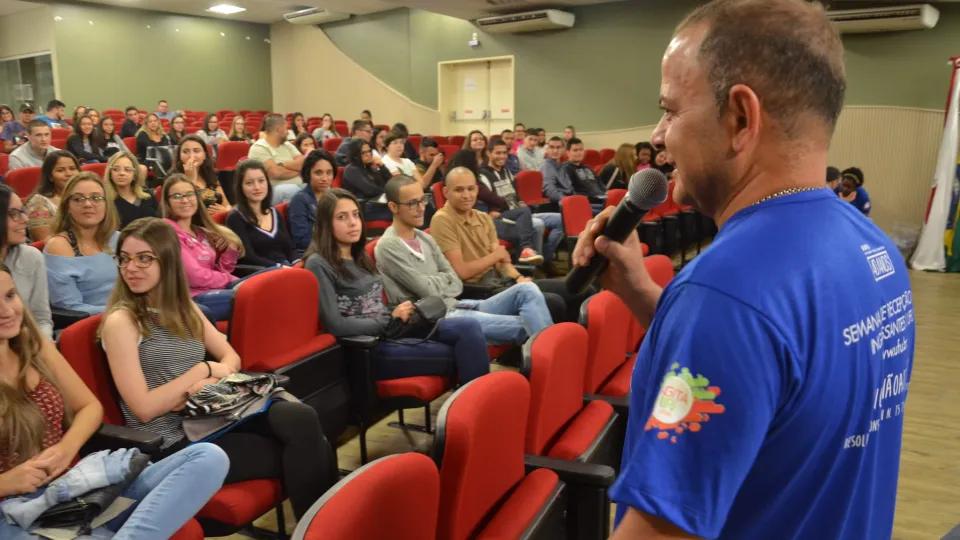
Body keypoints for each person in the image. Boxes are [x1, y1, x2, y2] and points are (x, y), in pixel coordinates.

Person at [570, 1, 913, 538]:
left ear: (739, 118)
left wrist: (701, 304)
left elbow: (662, 530)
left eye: (669, 110)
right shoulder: (875, 248)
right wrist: (641, 291)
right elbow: (774, 376)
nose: (657, 136)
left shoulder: (725, 292)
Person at [101, 217, 338, 521]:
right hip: (171, 439)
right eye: (124, 258)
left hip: (212, 412)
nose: (131, 267)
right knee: (309, 450)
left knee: (303, 418)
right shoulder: (122, 321)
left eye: (144, 258)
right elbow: (144, 408)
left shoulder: (184, 308)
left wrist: (210, 378)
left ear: (169, 260)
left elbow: (231, 358)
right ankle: (322, 528)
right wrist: (202, 371)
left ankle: (326, 528)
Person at [0, 261, 229, 540]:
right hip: (10, 508)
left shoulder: (32, 345)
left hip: (75, 489)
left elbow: (89, 407)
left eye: (10, 296)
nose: (6, 311)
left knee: (208, 458)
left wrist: (65, 448)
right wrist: (4, 483)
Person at [305, 188, 490, 385]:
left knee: (468, 327)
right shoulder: (318, 263)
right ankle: (473, 409)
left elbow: (373, 304)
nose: (352, 222)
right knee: (460, 352)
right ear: (326, 224)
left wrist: (398, 312)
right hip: (366, 347)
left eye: (356, 215)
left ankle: (476, 405)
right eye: (341, 217)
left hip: (390, 329)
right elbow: (336, 325)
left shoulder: (359, 255)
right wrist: (388, 320)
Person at [376, 176, 554, 346]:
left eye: (423, 200)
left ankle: (546, 362)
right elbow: (427, 290)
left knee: (527, 289)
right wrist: (442, 279)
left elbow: (456, 283)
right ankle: (550, 367)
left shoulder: (424, 238)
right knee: (531, 325)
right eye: (412, 203)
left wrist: (437, 280)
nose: (421, 207)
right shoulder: (388, 246)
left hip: (458, 304)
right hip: (435, 318)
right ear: (393, 207)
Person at [433, 167, 590, 322]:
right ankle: (549, 345)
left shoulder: (483, 217)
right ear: (446, 193)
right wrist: (496, 257)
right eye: (459, 190)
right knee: (554, 303)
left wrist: (519, 277)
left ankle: (575, 341)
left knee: (580, 289)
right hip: (480, 290)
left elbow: (502, 261)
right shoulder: (442, 220)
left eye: (471, 189)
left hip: (503, 282)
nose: (467, 195)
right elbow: (461, 272)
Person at [160, 174, 251, 321]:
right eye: (177, 196)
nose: (185, 200)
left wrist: (230, 250)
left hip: (217, 291)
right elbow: (194, 277)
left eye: (189, 194)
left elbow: (217, 273)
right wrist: (228, 279)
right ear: (167, 202)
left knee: (275, 276)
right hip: (191, 299)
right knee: (258, 296)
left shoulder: (201, 232)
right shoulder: (167, 231)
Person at [43, 172, 120, 315]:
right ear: (67, 207)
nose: (88, 204)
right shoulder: (58, 246)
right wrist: (121, 311)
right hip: (88, 326)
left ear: (106, 204)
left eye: (96, 198)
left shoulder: (119, 239)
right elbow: (69, 307)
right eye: (78, 199)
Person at [479, 139, 560, 268]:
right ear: (488, 153)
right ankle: (529, 260)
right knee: (536, 224)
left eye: (504, 153)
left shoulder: (506, 171)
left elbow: (514, 193)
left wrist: (520, 202)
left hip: (518, 213)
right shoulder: (482, 174)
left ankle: (539, 261)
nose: (502, 156)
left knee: (558, 219)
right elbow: (489, 198)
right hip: (502, 216)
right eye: (498, 153)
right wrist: (507, 206)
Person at [0, 185, 53, 338]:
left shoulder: (31, 257)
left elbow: (42, 319)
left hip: (28, 345)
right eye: (14, 214)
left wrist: (43, 344)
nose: (25, 219)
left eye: (22, 211)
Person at [226, 160, 295, 266]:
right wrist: (279, 268)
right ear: (240, 187)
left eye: (261, 181)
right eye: (249, 183)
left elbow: (290, 248)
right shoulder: (235, 218)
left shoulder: (275, 212)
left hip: (286, 267)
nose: (257, 187)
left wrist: (297, 262)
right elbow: (247, 257)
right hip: (262, 273)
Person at [247, 114, 305, 205]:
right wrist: (298, 170)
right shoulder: (259, 147)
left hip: (298, 186)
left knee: (322, 189)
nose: (288, 132)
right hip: (273, 191)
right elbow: (276, 173)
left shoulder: (287, 145)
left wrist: (283, 165)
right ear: (278, 129)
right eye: (286, 128)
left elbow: (304, 163)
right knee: (293, 191)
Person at [25, 151, 79, 242]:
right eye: (60, 170)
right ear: (50, 176)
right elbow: (46, 242)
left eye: (72, 168)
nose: (69, 174)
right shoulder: (38, 203)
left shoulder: (85, 197)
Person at [289, 150, 336, 252]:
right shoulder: (300, 200)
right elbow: (302, 241)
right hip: (315, 254)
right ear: (308, 173)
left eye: (329, 173)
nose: (324, 178)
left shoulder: (334, 196)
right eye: (318, 173)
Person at [173, 134, 231, 215]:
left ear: (204, 155)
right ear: (180, 156)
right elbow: (184, 211)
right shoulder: (174, 179)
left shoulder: (210, 175)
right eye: (186, 151)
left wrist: (224, 211)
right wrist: (190, 179)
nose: (191, 156)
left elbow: (227, 205)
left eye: (196, 151)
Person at [342, 139, 393, 222]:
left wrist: (382, 166)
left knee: (404, 209)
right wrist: (388, 191)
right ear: (355, 155)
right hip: (363, 208)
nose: (368, 154)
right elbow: (370, 190)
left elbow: (390, 182)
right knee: (402, 212)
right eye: (364, 153)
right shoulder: (351, 169)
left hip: (378, 203)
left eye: (369, 151)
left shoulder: (369, 167)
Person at [106, 152, 159, 228]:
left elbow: (162, 221)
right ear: (110, 174)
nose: (121, 173)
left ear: (134, 174)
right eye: (116, 169)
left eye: (127, 170)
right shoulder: (106, 201)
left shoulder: (147, 195)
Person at [561, 137, 606, 206]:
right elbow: (570, 192)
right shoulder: (565, 169)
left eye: (581, 149)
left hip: (602, 199)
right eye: (575, 150)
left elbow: (600, 185)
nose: (579, 152)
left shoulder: (587, 167)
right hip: (588, 203)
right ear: (567, 153)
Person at [540, 136, 567, 204]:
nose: (555, 151)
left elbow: (570, 187)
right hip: (559, 202)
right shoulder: (546, 166)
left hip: (568, 198)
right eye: (552, 147)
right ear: (547, 149)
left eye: (558, 147)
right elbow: (549, 191)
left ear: (563, 149)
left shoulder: (563, 166)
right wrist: (567, 200)